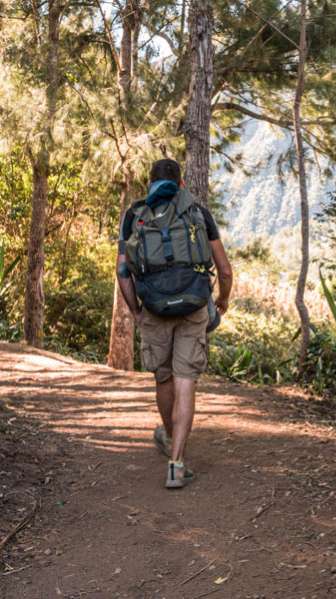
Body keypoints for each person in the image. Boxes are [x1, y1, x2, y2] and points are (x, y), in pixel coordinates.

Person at [115, 158, 233, 489]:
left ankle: (168, 436)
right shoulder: (198, 212)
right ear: (181, 184)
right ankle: (176, 464)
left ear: (149, 184)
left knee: (163, 378)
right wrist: (222, 300)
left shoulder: (134, 216)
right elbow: (224, 269)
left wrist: (137, 310)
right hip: (193, 307)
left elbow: (123, 272)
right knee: (186, 382)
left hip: (153, 308)